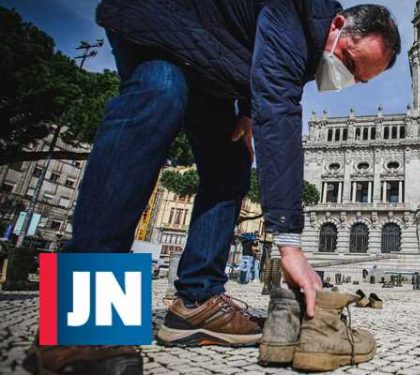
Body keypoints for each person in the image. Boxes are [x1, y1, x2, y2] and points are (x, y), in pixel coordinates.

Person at [24, 1, 400, 373]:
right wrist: (289, 241)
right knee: (159, 93)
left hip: (209, 57)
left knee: (231, 160)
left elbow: (261, 62)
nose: (346, 78)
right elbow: (279, 105)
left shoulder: (313, 40)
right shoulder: (298, 12)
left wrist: (248, 110)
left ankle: (197, 301)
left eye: (358, 79)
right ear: (337, 24)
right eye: (350, 64)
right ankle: (86, 318)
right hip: (158, 18)